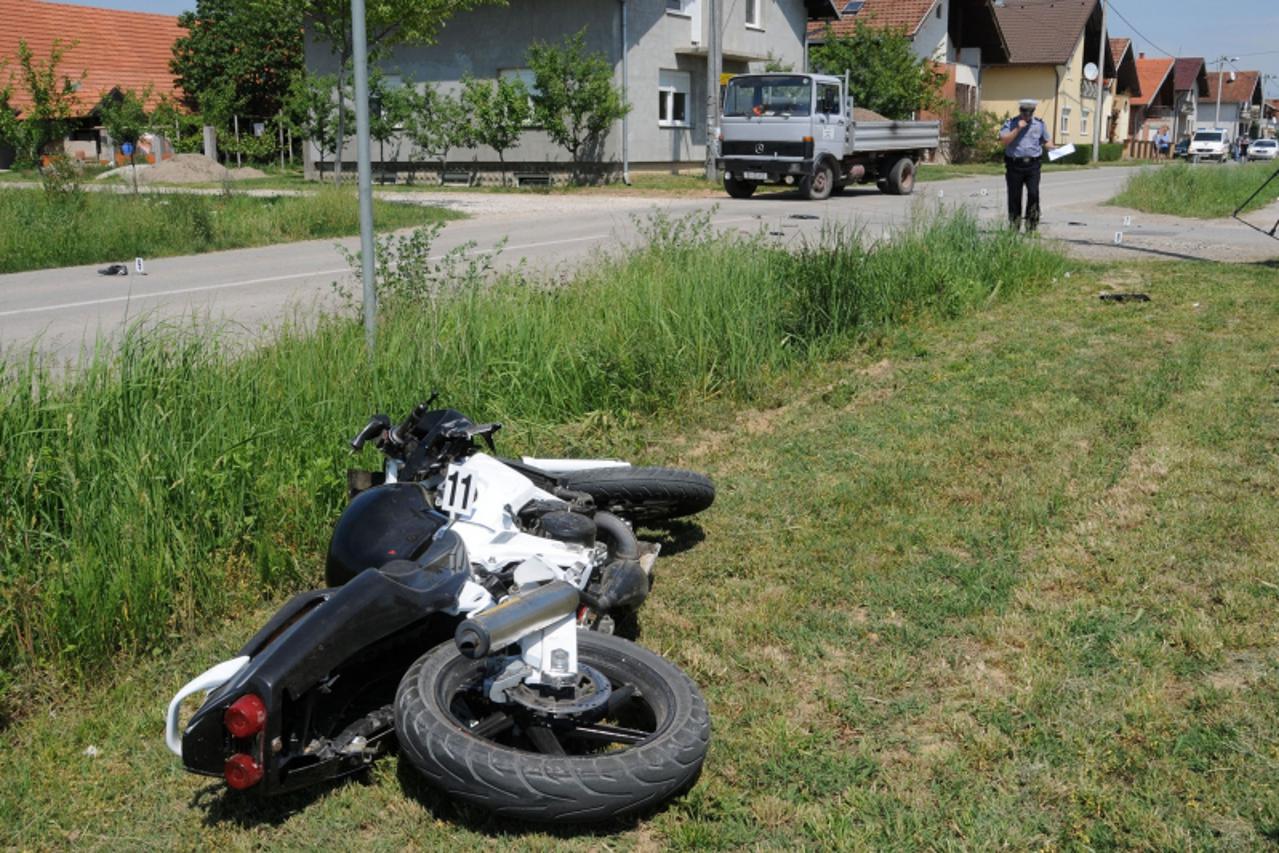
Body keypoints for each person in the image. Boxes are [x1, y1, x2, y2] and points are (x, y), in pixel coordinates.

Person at [998, 99, 1056, 232]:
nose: (1027, 115)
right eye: (1024, 112)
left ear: (1033, 111)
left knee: (1033, 194)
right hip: (1014, 165)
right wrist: (1018, 128)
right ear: (1020, 111)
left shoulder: (1039, 124)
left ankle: (1031, 226)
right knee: (1014, 196)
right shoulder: (1011, 123)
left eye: (1030, 112)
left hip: (1033, 165)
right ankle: (1014, 226)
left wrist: (1054, 148)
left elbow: (1046, 141)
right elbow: (1005, 141)